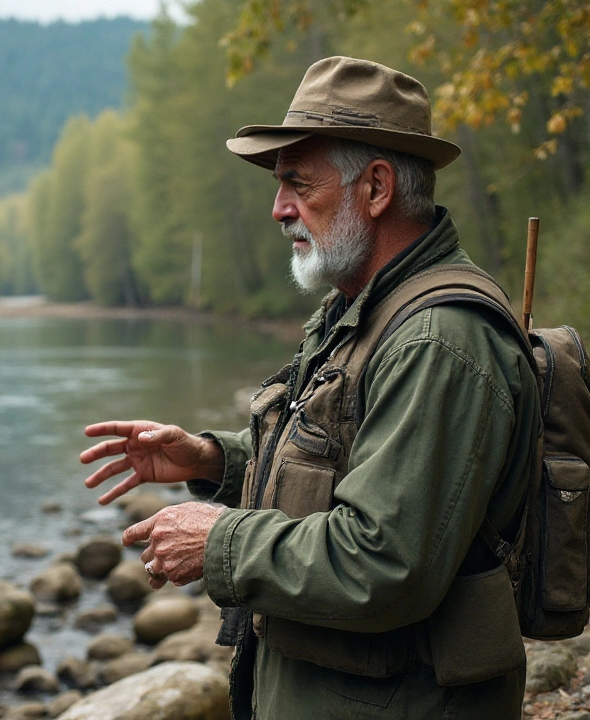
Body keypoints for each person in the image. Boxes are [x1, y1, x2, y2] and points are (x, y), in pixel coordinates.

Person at [79, 56, 540, 720]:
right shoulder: (362, 308)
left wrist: (219, 540)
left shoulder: (438, 340)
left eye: (297, 182)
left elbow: (387, 564)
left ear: (376, 188)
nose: (278, 209)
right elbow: (345, 454)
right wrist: (216, 459)